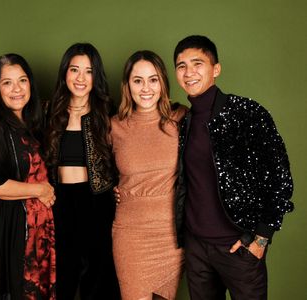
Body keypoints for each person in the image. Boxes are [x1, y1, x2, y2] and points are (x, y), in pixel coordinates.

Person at [173, 35, 294, 299]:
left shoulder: (247, 113)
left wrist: (261, 238)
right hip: (196, 249)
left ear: (216, 69)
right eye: (181, 66)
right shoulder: (183, 121)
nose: (189, 72)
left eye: (197, 63)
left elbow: (280, 178)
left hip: (240, 248)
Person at [0, 53, 56, 300]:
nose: (17, 89)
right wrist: (40, 190)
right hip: (7, 228)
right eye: (7, 82)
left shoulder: (33, 120)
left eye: (23, 80)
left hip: (37, 231)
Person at [44, 42, 120, 299]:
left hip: (97, 199)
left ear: (95, 76)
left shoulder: (107, 112)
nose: (80, 78)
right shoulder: (48, 112)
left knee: (99, 273)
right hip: (59, 201)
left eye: (88, 71)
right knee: (63, 272)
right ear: (65, 72)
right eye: (74, 69)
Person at [110, 50, 186, 300]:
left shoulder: (180, 118)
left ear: (163, 83)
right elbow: (92, 169)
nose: (146, 88)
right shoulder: (114, 126)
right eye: (137, 80)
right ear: (127, 85)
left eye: (153, 79)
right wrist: (109, 189)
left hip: (171, 235)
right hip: (131, 234)